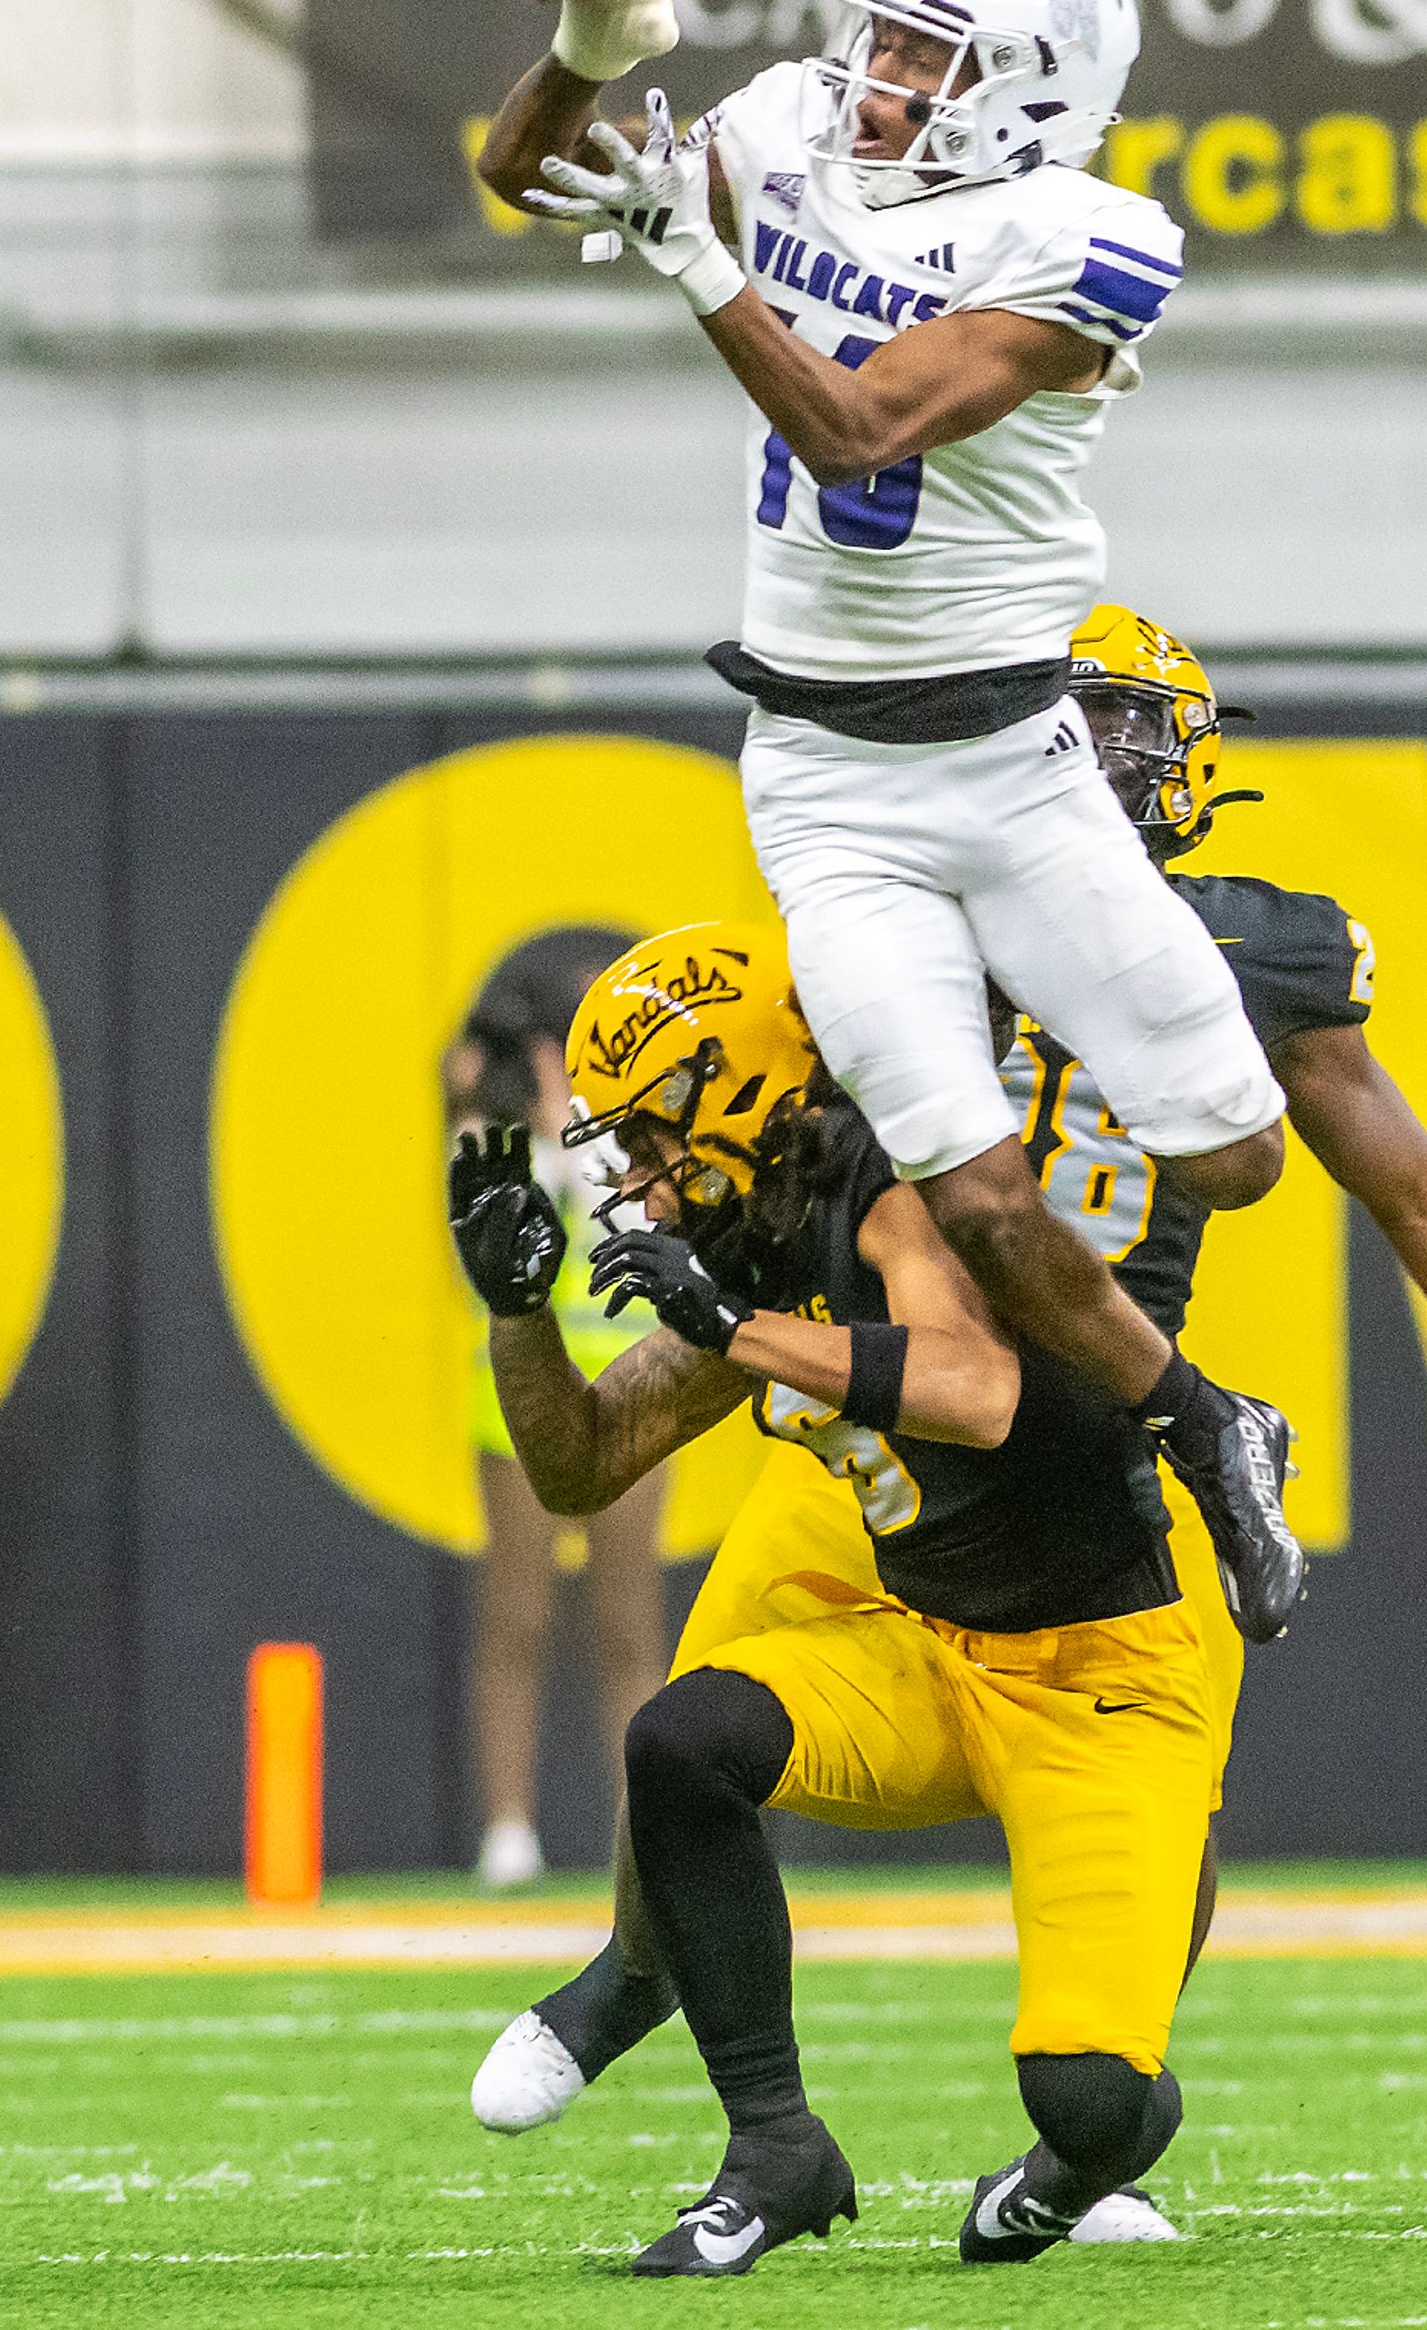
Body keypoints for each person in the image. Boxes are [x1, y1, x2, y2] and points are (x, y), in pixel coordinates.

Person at [465, 607, 1427, 2244]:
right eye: (1077, 721)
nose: (1108, 760)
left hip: (1083, 1401)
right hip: (883, 1344)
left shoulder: (1245, 948)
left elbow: (1411, 1187)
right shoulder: (904, 919)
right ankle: (640, 1976)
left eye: (1132, 727)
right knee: (696, 1718)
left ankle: (1101, 2103)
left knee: (1154, 1767)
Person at [473, 0, 1313, 1650]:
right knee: (977, 1194)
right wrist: (588, 55)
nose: (877, 78)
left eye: (930, 56)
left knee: (1236, 1157)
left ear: (1031, 89)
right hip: (828, 780)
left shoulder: (1089, 240)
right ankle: (1210, 1427)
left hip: (1015, 759)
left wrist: (698, 262)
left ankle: (1045, 1026)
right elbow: (515, 173)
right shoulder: (785, 125)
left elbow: (854, 423)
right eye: (885, 35)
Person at [450, 920, 1225, 2276]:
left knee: (1094, 2099)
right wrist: (516, 1311)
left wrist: (730, 1326)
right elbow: (581, 1462)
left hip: (1104, 1672)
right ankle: (775, 2150)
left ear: (742, 1087)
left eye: (647, 1135)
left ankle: (1072, 2170)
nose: (631, 1173)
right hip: (926, 1644)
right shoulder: (761, 1232)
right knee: (686, 1738)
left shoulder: (910, 1174)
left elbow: (978, 1389)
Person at [448, 925, 667, 1891]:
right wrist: (537, 1121)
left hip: (632, 1384)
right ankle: (509, 1828)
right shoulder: (478, 1128)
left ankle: (639, 1829)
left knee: (627, 1620)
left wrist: (580, 1126)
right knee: (519, 1612)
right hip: (521, 1394)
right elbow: (502, 1226)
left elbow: (626, 1216)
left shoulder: (637, 1132)